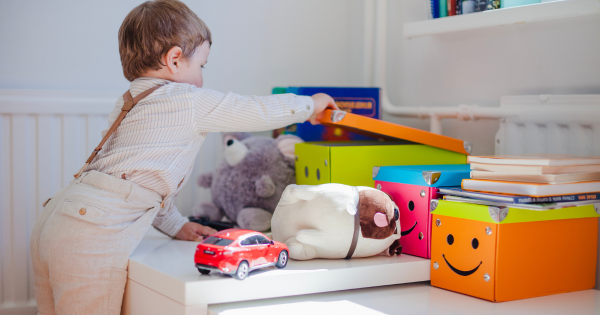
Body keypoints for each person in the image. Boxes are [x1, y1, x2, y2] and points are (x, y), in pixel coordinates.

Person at [29, 1, 338, 314]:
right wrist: (308, 106)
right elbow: (252, 110)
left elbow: (140, 186)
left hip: (55, 220)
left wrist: (176, 225)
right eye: (201, 66)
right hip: (90, 236)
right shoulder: (185, 100)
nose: (202, 77)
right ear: (174, 59)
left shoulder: (129, 101)